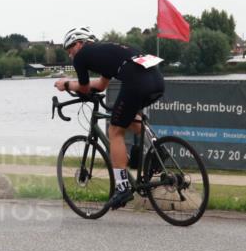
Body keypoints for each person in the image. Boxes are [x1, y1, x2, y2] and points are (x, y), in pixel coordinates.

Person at [54, 26, 165, 210]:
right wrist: (79, 87)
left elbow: (83, 88)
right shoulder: (107, 51)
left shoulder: (82, 55)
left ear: (80, 43)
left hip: (136, 83)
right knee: (130, 118)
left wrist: (66, 84)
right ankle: (158, 150)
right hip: (157, 82)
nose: (70, 55)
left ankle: (122, 188)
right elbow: (101, 85)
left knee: (115, 131)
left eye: (70, 49)